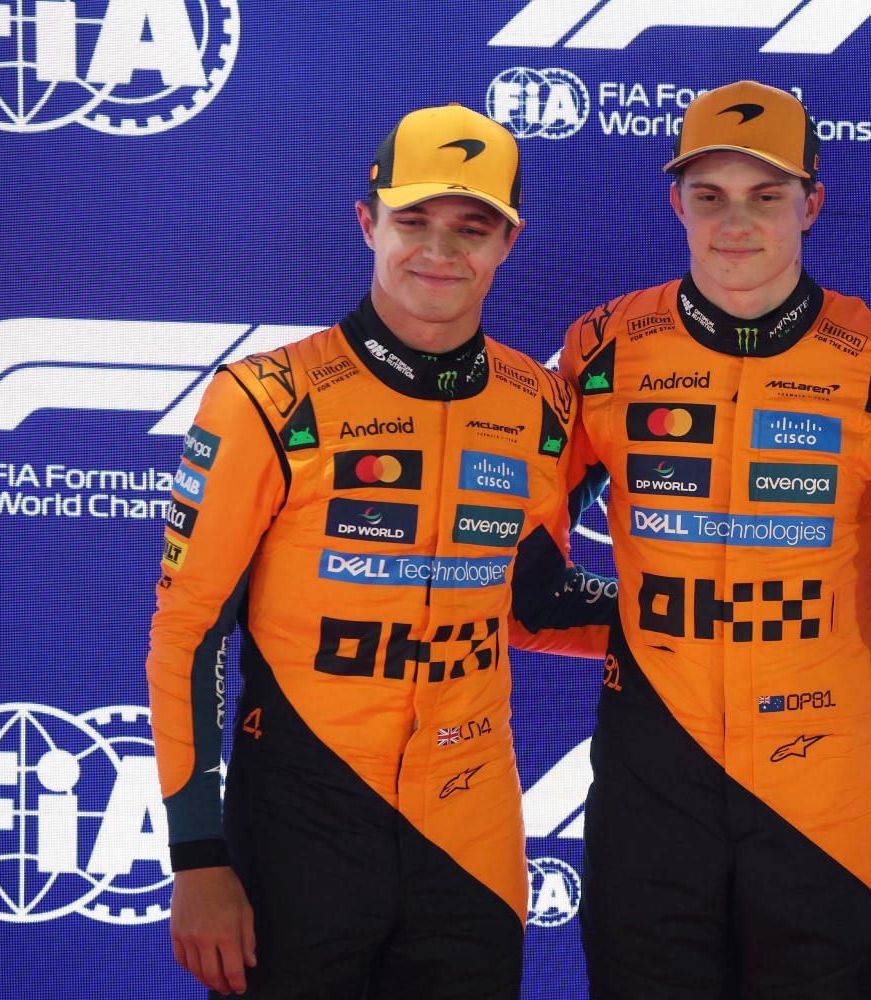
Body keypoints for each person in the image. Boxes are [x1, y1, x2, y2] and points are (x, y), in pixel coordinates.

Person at [557, 80, 871, 999]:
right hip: (656, 776)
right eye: (710, 195)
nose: (737, 222)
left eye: (767, 195)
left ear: (812, 202)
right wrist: (641, 629)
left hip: (823, 787)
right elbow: (511, 560)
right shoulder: (605, 345)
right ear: (673, 200)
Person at [145, 103, 610, 998]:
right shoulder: (266, 399)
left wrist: (705, 609)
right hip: (300, 819)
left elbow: (535, 600)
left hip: (472, 828)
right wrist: (198, 859)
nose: (440, 251)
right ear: (367, 223)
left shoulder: (537, 407)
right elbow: (190, 633)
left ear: (508, 241)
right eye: (413, 222)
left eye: (471, 228)